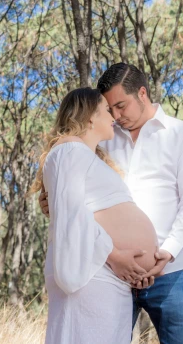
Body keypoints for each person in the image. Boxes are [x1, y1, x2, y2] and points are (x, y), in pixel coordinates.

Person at [41, 63, 183, 344]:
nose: (116, 116)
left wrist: (167, 250)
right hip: (112, 269)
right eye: (110, 109)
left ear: (142, 93)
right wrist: (51, 201)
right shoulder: (102, 139)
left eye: (121, 106)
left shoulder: (180, 134)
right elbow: (78, 195)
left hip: (171, 271)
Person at [32, 87, 162, 344]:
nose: (113, 114)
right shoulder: (69, 150)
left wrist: (134, 265)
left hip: (106, 277)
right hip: (92, 274)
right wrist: (115, 257)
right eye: (106, 109)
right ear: (90, 116)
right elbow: (72, 215)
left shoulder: (85, 156)